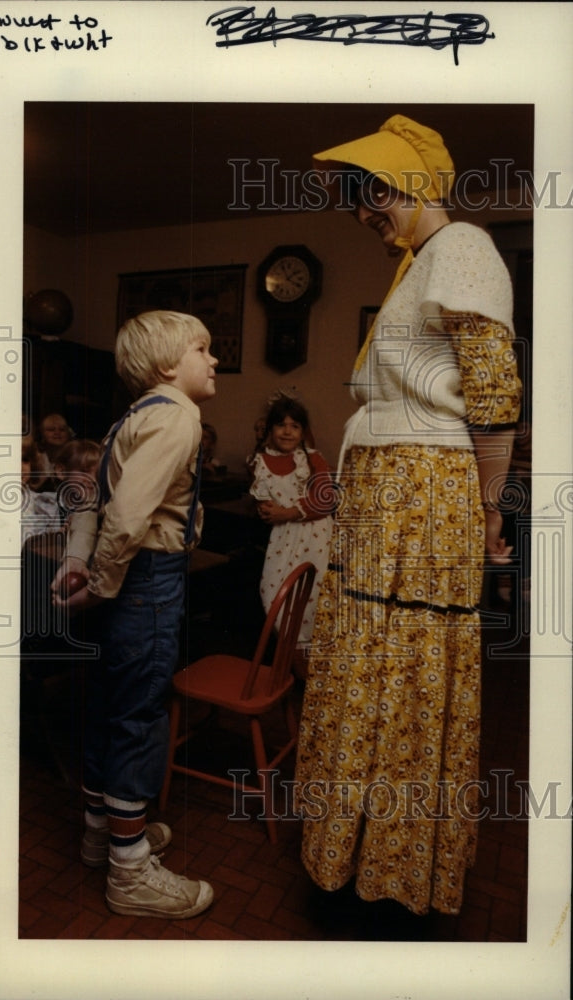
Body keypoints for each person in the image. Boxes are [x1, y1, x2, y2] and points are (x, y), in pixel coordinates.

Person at [294, 115, 522, 917]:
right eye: (355, 201)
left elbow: (493, 397)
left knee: (404, 676)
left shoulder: (459, 247)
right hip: (389, 501)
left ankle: (389, 875)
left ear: (415, 184)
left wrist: (488, 515)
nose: (364, 214)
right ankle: (352, 859)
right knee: (370, 673)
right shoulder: (420, 263)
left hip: (424, 504)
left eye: (375, 193)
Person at [51, 310, 218, 919]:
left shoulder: (132, 416)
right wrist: (99, 582)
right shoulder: (178, 415)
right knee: (140, 717)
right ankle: (130, 871)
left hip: (128, 578)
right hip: (147, 581)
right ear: (169, 366)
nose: (214, 360)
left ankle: (104, 835)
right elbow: (126, 519)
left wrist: (78, 561)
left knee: (109, 705)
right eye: (204, 349)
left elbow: (97, 504)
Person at [249, 392, 335, 664]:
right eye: (281, 425)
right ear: (270, 429)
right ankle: (292, 662)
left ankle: (310, 669)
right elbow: (265, 508)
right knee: (275, 595)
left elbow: (326, 501)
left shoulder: (312, 459)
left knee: (314, 597)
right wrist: (272, 511)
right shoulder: (259, 462)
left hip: (318, 538)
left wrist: (287, 511)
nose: (287, 432)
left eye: (294, 426)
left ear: (302, 431)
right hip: (283, 540)